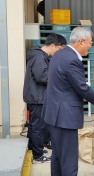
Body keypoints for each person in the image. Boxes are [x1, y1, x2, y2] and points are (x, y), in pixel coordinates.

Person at [41, 27, 94, 176]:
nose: (90, 46)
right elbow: (81, 87)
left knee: (58, 157)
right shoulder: (71, 60)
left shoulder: (59, 54)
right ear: (81, 41)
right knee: (69, 161)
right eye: (90, 42)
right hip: (64, 116)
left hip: (53, 113)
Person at [23, 33, 67, 164]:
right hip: (37, 97)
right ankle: (38, 155)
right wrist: (59, 77)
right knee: (38, 127)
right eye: (60, 49)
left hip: (35, 96)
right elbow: (42, 77)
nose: (60, 53)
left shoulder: (39, 55)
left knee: (35, 125)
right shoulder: (39, 57)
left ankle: (33, 148)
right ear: (53, 45)